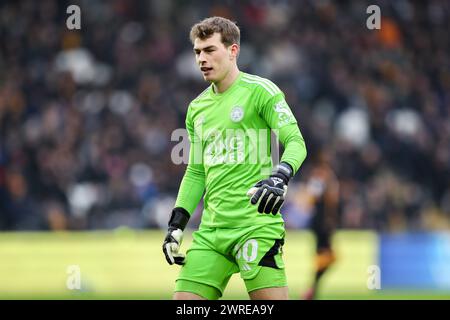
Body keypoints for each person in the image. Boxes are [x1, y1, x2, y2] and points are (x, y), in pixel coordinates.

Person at [162, 16, 307, 300]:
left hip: (255, 226)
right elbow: (196, 172)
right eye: (197, 52)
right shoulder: (197, 108)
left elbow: (295, 142)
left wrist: (281, 175)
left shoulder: (261, 92)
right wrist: (176, 225)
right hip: (212, 233)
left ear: (233, 51)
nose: (202, 58)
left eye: (210, 50)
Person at [301, 150, 339, 300]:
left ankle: (313, 289)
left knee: (328, 257)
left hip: (324, 221)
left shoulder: (328, 175)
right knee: (327, 256)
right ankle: (313, 289)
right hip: (321, 222)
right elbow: (312, 198)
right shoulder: (319, 175)